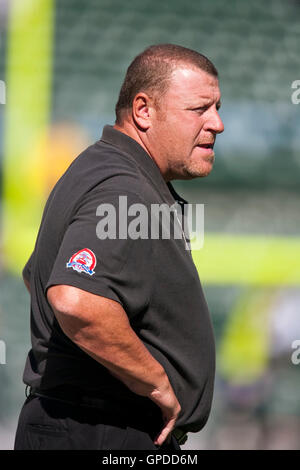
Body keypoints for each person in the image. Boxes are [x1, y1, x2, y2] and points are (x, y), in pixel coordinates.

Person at [14, 44, 224, 450]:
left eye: (217, 107)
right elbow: (74, 298)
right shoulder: (124, 188)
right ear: (143, 110)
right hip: (102, 427)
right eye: (199, 109)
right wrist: (156, 382)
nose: (217, 123)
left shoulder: (102, 166)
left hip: (83, 423)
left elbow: (35, 276)